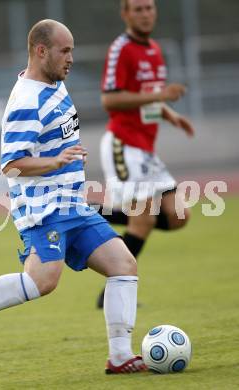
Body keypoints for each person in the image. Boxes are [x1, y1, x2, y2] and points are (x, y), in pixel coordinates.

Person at [0, 19, 147, 374]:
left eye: (73, 51)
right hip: (43, 210)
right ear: (41, 51)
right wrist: (55, 161)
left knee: (123, 265)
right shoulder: (25, 101)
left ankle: (121, 356)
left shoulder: (55, 84)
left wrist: (66, 155)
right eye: (65, 51)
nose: (71, 58)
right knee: (41, 282)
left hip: (72, 204)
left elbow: (56, 136)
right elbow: (12, 165)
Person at [95, 0, 195, 308]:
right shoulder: (120, 49)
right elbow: (109, 100)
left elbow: (147, 95)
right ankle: (110, 296)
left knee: (178, 216)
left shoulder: (154, 49)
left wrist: (167, 113)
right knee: (143, 220)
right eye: (137, 8)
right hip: (124, 145)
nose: (145, 13)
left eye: (149, 7)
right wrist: (160, 96)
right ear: (125, 13)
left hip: (146, 149)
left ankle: (92, 212)